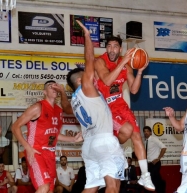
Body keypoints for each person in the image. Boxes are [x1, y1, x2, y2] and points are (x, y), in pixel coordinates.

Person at [54, 20, 127, 193]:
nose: (92, 75)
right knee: (113, 186)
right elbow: (89, 60)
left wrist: (63, 94)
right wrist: (87, 36)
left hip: (88, 147)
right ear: (80, 80)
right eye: (87, 74)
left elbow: (65, 108)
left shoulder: (74, 100)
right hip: (104, 142)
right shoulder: (86, 87)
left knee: (91, 187)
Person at [93, 35, 154, 191]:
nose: (112, 49)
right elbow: (107, 80)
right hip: (104, 107)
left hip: (120, 104)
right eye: (109, 46)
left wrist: (139, 72)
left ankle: (145, 176)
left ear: (120, 49)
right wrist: (123, 63)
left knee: (136, 135)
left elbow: (133, 89)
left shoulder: (126, 66)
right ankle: (112, 146)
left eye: (115, 46)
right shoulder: (100, 61)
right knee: (126, 130)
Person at [11, 80, 83, 193]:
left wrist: (73, 139)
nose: (54, 88)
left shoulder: (59, 111)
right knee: (44, 187)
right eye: (51, 86)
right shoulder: (38, 107)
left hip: (50, 154)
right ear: (44, 92)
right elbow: (15, 127)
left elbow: (54, 134)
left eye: (56, 86)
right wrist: (28, 148)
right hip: (36, 152)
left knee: (50, 190)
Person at [143, 126, 166, 193]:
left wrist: (158, 158)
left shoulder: (154, 139)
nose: (146, 132)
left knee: (154, 180)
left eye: (147, 131)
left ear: (150, 132)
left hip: (155, 163)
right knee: (150, 180)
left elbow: (164, 147)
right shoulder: (145, 141)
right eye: (145, 131)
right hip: (148, 164)